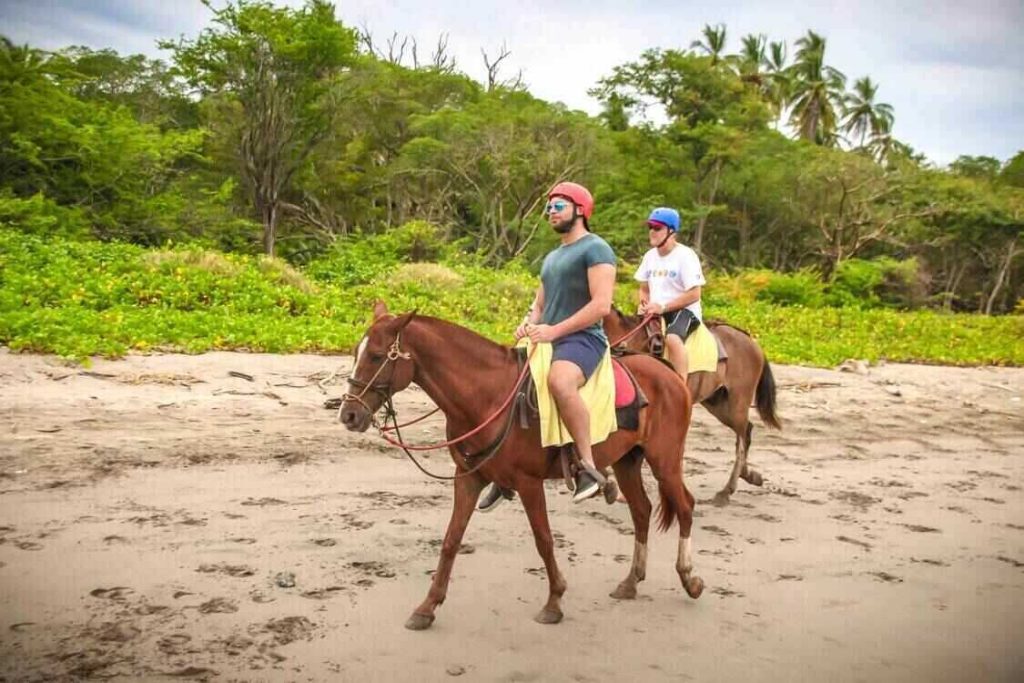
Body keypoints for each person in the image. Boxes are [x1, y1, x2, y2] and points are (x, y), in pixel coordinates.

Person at [478, 181, 617, 512]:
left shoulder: (596, 248)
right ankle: (504, 473)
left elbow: (601, 306)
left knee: (560, 382)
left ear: (580, 210)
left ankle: (587, 467)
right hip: (546, 335)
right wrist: (528, 321)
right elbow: (539, 302)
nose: (550, 211)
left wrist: (554, 331)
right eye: (549, 207)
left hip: (582, 338)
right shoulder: (553, 256)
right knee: (507, 383)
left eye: (558, 205)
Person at [635, 207, 706, 384]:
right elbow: (644, 288)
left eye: (657, 227)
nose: (652, 231)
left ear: (672, 231)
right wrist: (644, 303)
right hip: (656, 311)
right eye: (650, 227)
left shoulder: (686, 256)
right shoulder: (649, 256)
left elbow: (695, 294)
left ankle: (680, 385)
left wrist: (664, 307)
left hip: (684, 311)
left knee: (673, 339)